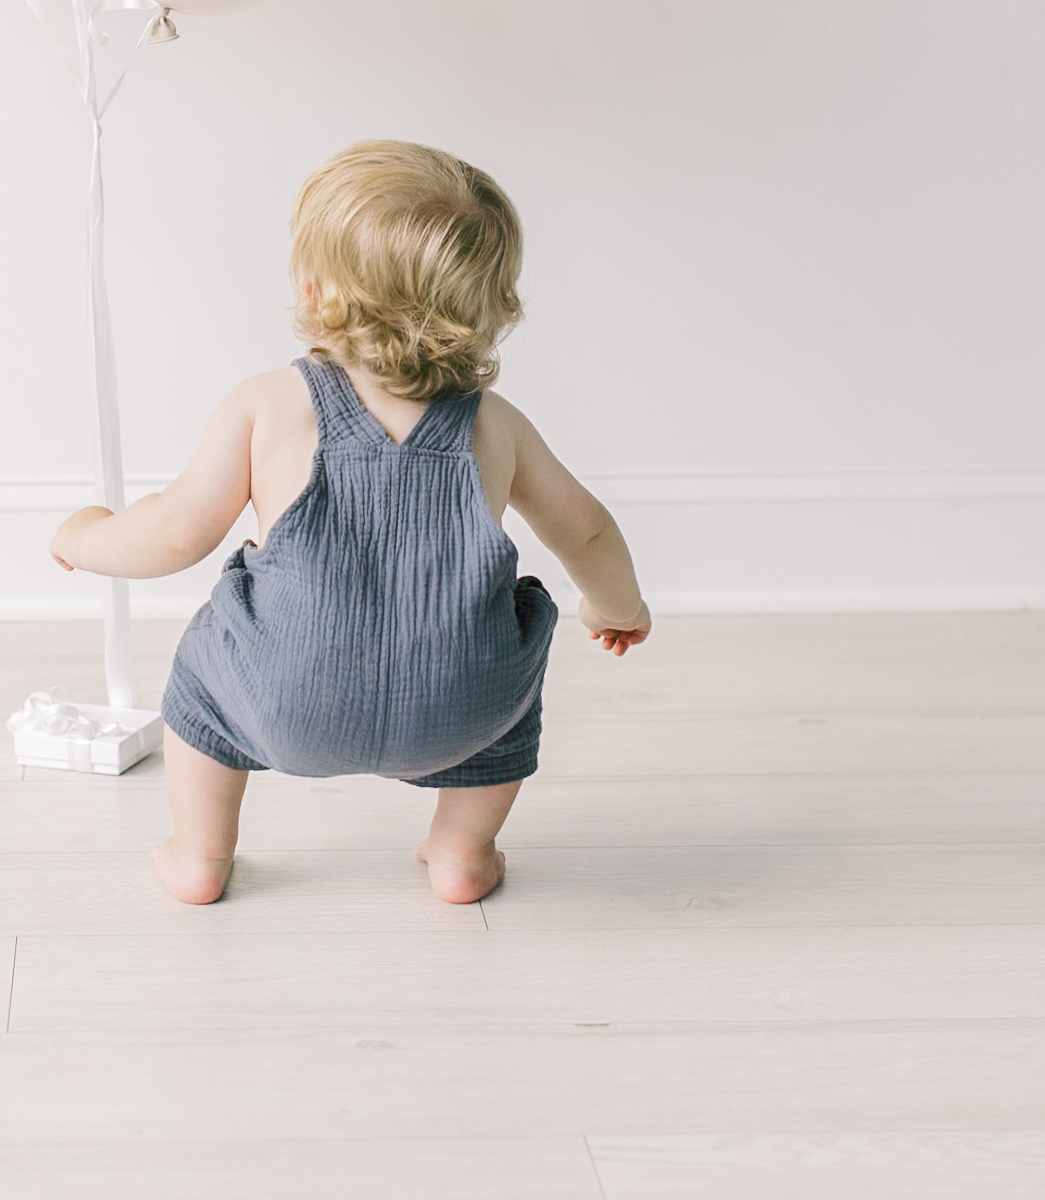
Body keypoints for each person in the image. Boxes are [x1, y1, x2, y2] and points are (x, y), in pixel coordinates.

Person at [49, 139, 651, 906]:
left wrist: (83, 536)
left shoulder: (269, 405)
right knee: (513, 668)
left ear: (312, 289)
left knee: (201, 677)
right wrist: (616, 606)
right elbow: (587, 531)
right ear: (491, 304)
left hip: (285, 703)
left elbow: (173, 532)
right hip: (460, 712)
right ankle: (463, 850)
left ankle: (199, 852)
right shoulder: (494, 426)